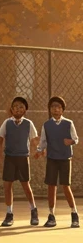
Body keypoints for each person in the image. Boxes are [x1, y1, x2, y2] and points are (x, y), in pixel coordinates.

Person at [35, 95, 79, 228]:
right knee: (51, 186)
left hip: (65, 159)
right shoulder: (47, 125)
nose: (55, 109)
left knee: (65, 186)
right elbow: (43, 141)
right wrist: (39, 150)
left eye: (58, 107)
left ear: (62, 110)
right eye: (53, 107)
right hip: (52, 159)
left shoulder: (68, 123)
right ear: (50, 109)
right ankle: (51, 215)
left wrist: (70, 141)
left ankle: (74, 214)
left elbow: (75, 139)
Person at [0, 96, 39, 227]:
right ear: (12, 109)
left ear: (25, 109)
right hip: (10, 157)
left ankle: (33, 211)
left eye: (21, 106)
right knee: (7, 185)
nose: (18, 109)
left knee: (26, 185)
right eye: (15, 106)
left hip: (23, 157)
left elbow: (34, 140)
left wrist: (37, 150)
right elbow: (0, 139)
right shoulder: (7, 123)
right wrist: (0, 155)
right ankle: (9, 214)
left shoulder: (28, 123)